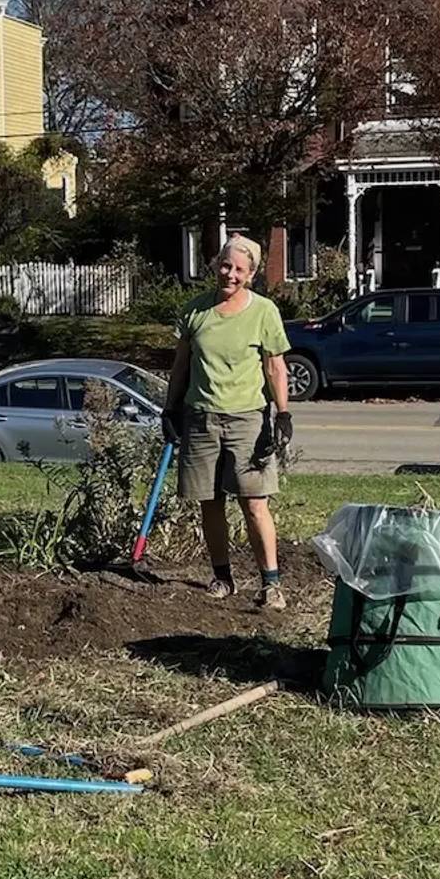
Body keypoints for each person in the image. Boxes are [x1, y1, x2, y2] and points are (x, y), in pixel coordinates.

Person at [162, 235, 293, 611]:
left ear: (250, 274)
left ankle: (271, 584)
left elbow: (275, 366)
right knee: (210, 502)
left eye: (238, 269)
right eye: (224, 265)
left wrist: (282, 414)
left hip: (247, 420)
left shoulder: (264, 312)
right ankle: (222, 577)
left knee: (254, 503)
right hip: (200, 418)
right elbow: (182, 366)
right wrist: (170, 410)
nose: (229, 274)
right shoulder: (196, 312)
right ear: (215, 265)